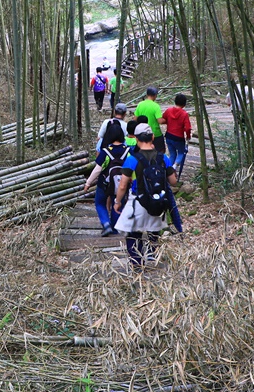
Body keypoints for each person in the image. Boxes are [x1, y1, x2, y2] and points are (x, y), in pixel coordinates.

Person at [113, 123, 178, 269]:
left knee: (132, 232)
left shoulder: (132, 159)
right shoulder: (163, 158)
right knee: (153, 231)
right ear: (153, 137)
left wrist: (117, 201)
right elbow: (173, 182)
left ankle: (137, 264)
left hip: (138, 201)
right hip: (159, 202)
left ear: (136, 139)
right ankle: (153, 257)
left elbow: (123, 185)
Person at [82, 124, 129, 236]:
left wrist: (88, 183)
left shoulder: (106, 151)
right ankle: (115, 227)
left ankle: (106, 223)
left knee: (100, 203)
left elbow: (97, 169)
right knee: (117, 204)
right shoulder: (127, 151)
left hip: (105, 183)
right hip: (122, 183)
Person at [162, 94, 192, 178]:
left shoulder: (169, 110)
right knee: (181, 152)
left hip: (168, 135)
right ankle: (174, 167)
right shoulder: (184, 114)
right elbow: (188, 128)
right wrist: (188, 136)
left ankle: (168, 172)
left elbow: (164, 118)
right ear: (184, 103)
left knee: (172, 154)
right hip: (178, 137)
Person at [134, 87, 166, 152]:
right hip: (155, 133)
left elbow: (135, 119)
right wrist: (167, 120)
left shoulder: (140, 104)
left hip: (142, 132)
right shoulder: (156, 106)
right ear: (155, 95)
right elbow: (160, 121)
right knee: (160, 151)